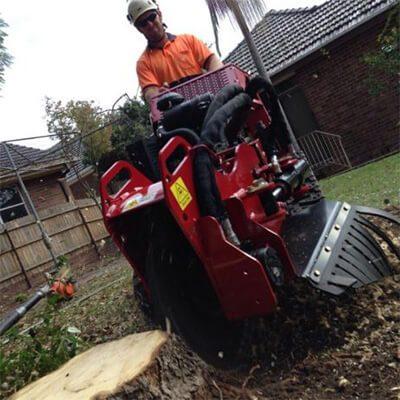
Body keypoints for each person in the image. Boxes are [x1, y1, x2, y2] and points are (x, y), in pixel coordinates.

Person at [127, 0, 224, 104]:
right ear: (139, 29)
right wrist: (158, 96)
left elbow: (213, 61)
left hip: (209, 102)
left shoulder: (188, 40)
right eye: (143, 23)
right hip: (177, 113)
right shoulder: (143, 63)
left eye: (151, 17)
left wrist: (217, 81)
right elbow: (151, 93)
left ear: (159, 14)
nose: (150, 24)